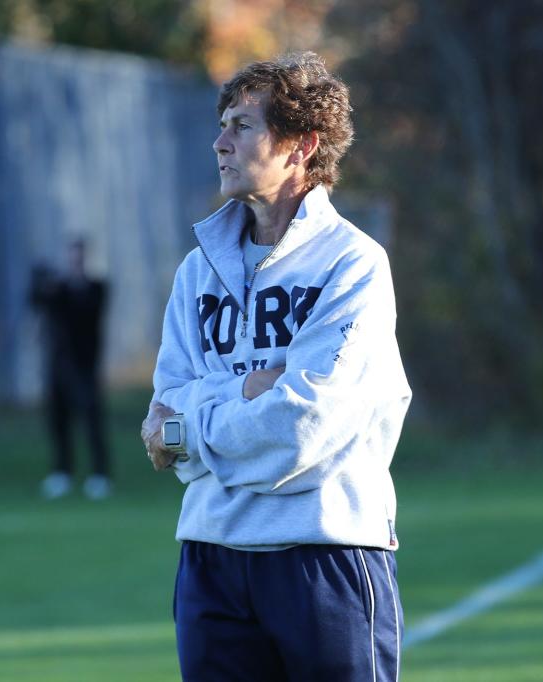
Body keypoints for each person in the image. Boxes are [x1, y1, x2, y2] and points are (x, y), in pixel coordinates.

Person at [141, 51, 412, 680]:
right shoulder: (196, 269)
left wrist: (196, 422)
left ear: (301, 145)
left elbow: (301, 427)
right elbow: (163, 415)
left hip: (325, 555)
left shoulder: (353, 265)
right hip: (210, 557)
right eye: (222, 125)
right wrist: (246, 389)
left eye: (241, 126)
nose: (220, 144)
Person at [29, 238, 112, 500]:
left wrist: (68, 286)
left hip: (85, 366)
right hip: (58, 366)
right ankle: (61, 472)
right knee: (58, 421)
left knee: (91, 421)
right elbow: (36, 300)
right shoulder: (57, 289)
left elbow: (87, 312)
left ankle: (100, 474)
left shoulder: (95, 288)